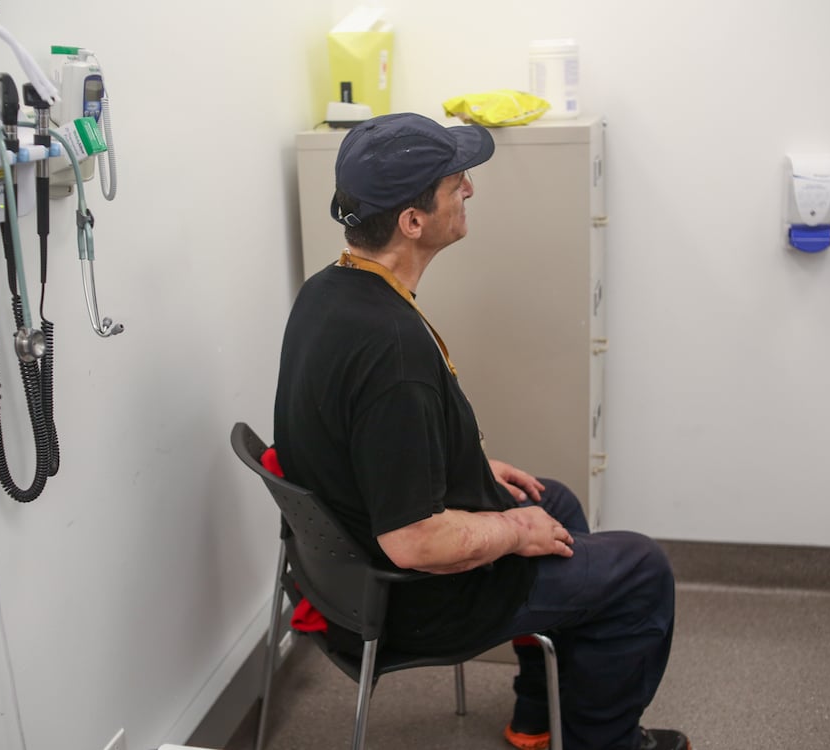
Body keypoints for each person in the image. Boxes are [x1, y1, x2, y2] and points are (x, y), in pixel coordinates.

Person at [273, 112, 690, 750]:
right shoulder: (392, 352)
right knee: (642, 570)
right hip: (410, 594)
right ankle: (605, 743)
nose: (469, 189)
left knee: (554, 501)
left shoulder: (328, 291)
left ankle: (537, 712)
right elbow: (414, 542)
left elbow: (356, 437)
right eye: (454, 182)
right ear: (412, 222)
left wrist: (465, 469)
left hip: (350, 562)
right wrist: (512, 530)